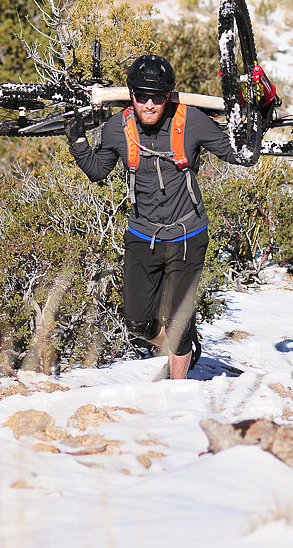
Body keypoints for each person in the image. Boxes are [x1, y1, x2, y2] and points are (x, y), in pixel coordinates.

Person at [66, 54, 248, 379]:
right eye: (142, 96)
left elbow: (239, 154)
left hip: (188, 234)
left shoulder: (190, 121)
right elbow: (97, 170)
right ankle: (183, 349)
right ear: (131, 94)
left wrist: (249, 124)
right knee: (137, 321)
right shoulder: (116, 127)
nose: (149, 104)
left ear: (168, 96)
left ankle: (178, 391)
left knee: (179, 323)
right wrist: (78, 142)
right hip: (142, 236)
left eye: (158, 97)